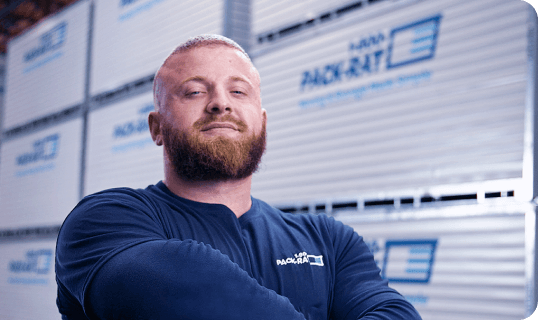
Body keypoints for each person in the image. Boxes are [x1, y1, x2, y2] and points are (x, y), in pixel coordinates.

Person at [55, 34, 422, 320]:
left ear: (262, 122)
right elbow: (196, 296)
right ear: (157, 128)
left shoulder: (329, 241)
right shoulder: (104, 222)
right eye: (195, 91)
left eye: (238, 90)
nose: (220, 103)